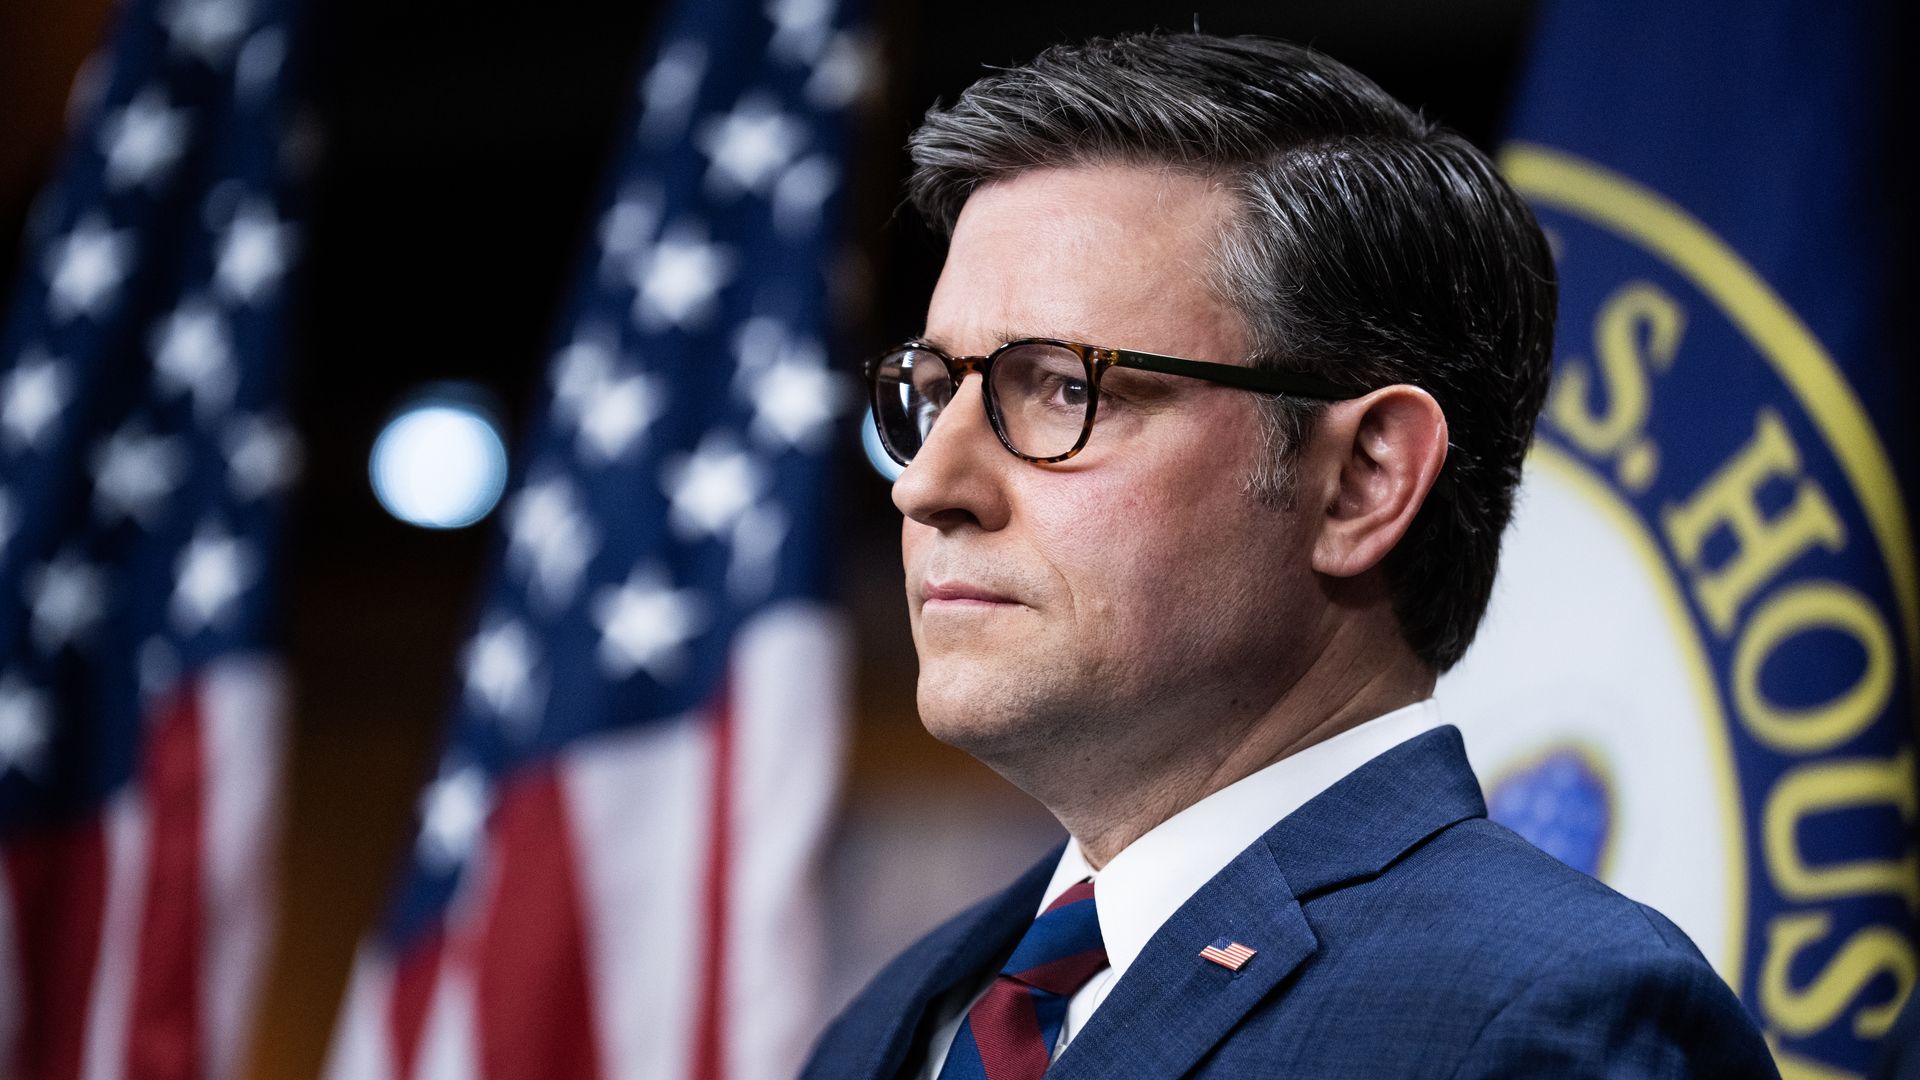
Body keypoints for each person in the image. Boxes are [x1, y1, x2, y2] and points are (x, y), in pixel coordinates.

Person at [804, 32, 1779, 1079]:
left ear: (1363, 480)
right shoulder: (893, 1024)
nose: (925, 486)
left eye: (1063, 389)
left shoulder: (1539, 1019)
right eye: (936, 391)